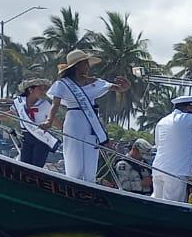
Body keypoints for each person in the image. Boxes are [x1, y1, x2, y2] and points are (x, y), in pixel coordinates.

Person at [43, 50, 131, 181]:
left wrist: (125, 87)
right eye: (85, 63)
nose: (88, 66)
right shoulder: (63, 84)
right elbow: (55, 105)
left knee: (91, 160)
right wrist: (49, 121)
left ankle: (89, 184)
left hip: (91, 124)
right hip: (74, 121)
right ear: (77, 65)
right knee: (74, 159)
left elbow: (117, 88)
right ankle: (73, 183)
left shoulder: (96, 82)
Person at [9, 78, 58, 166]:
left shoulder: (45, 104)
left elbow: (55, 121)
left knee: (37, 166)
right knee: (24, 165)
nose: (43, 92)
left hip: (41, 139)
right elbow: (10, 114)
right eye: (40, 89)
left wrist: (66, 129)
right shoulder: (19, 103)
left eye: (44, 89)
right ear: (30, 90)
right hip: (27, 138)